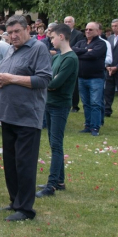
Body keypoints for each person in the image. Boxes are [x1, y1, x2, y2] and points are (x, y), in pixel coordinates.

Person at [0, 15, 52, 221]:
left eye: (17, 31)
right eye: (10, 33)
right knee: (10, 162)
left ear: (27, 29)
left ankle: (26, 209)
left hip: (27, 115)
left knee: (25, 164)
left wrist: (11, 78)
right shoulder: (10, 50)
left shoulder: (38, 49)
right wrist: (0, 79)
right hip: (8, 114)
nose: (13, 36)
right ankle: (15, 201)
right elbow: (8, 77)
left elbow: (43, 80)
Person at [35, 24, 78, 198]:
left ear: (61, 36)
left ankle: (51, 185)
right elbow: (48, 77)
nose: (50, 40)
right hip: (50, 103)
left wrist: (47, 83)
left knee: (56, 144)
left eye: (52, 37)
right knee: (54, 143)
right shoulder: (58, 57)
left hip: (60, 105)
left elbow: (53, 83)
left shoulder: (70, 59)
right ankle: (59, 181)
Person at [72, 22, 107, 136]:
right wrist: (87, 50)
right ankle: (88, 125)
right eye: (86, 29)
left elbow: (94, 55)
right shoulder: (81, 42)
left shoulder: (101, 44)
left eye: (91, 30)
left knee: (95, 103)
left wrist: (82, 53)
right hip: (82, 77)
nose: (87, 31)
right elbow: (73, 50)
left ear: (97, 31)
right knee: (86, 103)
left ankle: (95, 127)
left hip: (95, 78)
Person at [64, 16, 84, 113]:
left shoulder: (78, 34)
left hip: (73, 61)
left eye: (69, 22)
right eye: (66, 22)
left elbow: (78, 47)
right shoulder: (61, 33)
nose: (67, 23)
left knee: (74, 85)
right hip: (63, 60)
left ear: (73, 23)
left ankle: (75, 105)